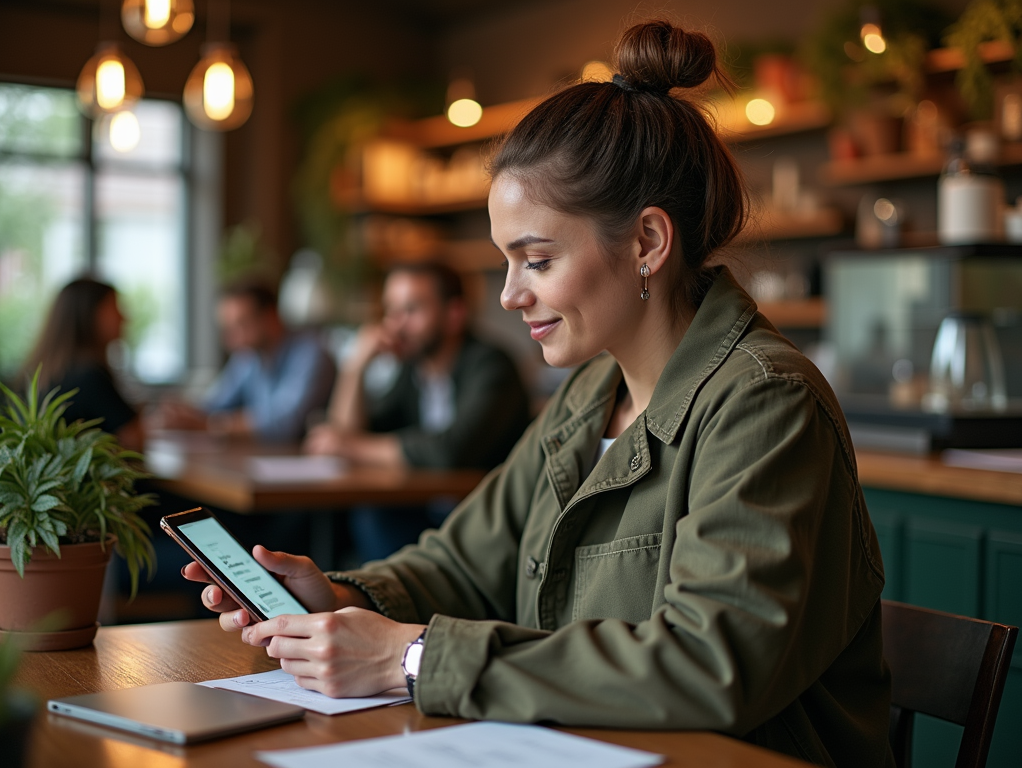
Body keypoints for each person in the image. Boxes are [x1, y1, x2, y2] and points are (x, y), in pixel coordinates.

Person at [184, 20, 894, 767]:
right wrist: (338, 598)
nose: (509, 296)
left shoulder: (765, 404)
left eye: (537, 260)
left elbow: (707, 665)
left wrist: (413, 659)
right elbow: (461, 564)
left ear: (648, 243)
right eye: (505, 263)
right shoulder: (590, 393)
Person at [304, 261, 531, 559]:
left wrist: (352, 446)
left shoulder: (491, 366)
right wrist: (356, 366)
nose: (395, 325)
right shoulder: (414, 371)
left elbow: (451, 450)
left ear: (454, 315)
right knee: (341, 522)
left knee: (369, 521)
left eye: (411, 311)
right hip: (433, 515)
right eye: (391, 311)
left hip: (489, 526)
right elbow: (357, 432)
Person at [153, 279, 336, 442]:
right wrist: (183, 413)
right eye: (228, 328)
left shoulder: (311, 351)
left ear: (271, 317)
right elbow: (215, 405)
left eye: (241, 325)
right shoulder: (248, 357)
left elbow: (285, 424)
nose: (231, 339)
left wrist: (210, 425)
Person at [18, 278, 143, 451]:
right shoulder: (89, 377)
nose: (124, 317)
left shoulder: (45, 373)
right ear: (90, 314)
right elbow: (134, 439)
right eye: (115, 308)